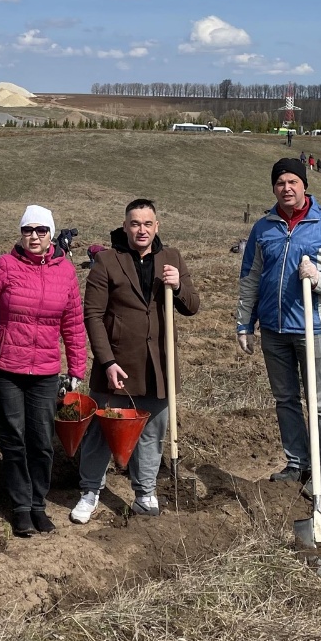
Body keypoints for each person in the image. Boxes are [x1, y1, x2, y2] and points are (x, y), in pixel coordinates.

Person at [235, 159, 321, 494]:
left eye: (293, 181)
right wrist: (245, 323)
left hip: (314, 328)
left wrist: (320, 278)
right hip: (273, 329)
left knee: (319, 403)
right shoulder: (263, 228)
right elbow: (250, 278)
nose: (287, 188)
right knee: (285, 399)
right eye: (280, 183)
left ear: (304, 184)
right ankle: (296, 462)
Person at [73, 199, 199, 523]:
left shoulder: (172, 258)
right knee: (103, 431)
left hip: (157, 365)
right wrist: (107, 361)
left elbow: (192, 306)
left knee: (152, 432)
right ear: (125, 226)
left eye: (147, 224)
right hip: (117, 366)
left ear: (157, 226)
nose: (141, 230)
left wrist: (178, 286)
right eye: (135, 223)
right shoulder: (106, 261)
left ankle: (145, 493)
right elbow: (93, 315)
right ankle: (90, 492)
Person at [0, 205, 88, 537]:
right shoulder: (4, 266)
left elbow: (73, 323)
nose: (34, 236)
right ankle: (20, 508)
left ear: (51, 235)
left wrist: (76, 367)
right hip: (6, 369)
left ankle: (38, 505)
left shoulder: (65, 272)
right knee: (13, 438)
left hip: (45, 372)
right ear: (21, 233)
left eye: (41, 230)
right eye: (27, 230)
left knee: (42, 441)